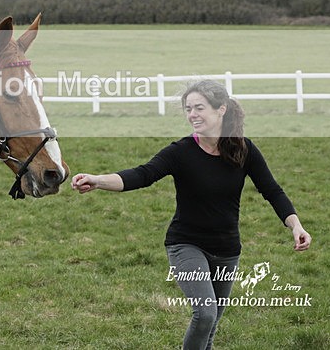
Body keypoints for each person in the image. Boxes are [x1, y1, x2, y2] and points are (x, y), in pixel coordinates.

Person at [71, 79, 311, 350]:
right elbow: (142, 174)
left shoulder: (243, 149)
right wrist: (98, 180)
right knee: (205, 314)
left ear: (221, 110)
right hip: (186, 245)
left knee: (211, 324)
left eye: (199, 107)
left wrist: (295, 225)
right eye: (188, 109)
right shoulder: (181, 151)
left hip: (227, 249)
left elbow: (272, 191)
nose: (192, 114)